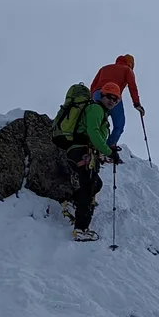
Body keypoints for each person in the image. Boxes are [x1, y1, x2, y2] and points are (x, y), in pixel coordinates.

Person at [59, 84, 123, 240]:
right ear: (102, 96)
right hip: (81, 151)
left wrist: (106, 153)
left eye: (115, 99)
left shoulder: (101, 112)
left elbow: (95, 136)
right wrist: (109, 152)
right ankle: (81, 230)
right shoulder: (96, 109)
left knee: (95, 184)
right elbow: (93, 133)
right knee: (88, 187)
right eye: (109, 97)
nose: (112, 101)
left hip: (82, 151)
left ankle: (73, 203)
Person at [88, 54, 143, 152]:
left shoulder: (104, 68)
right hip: (113, 96)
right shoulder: (127, 70)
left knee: (98, 120)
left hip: (98, 94)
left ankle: (92, 144)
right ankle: (108, 147)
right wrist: (137, 104)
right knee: (119, 125)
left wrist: (92, 98)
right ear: (130, 64)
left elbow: (93, 85)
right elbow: (132, 87)